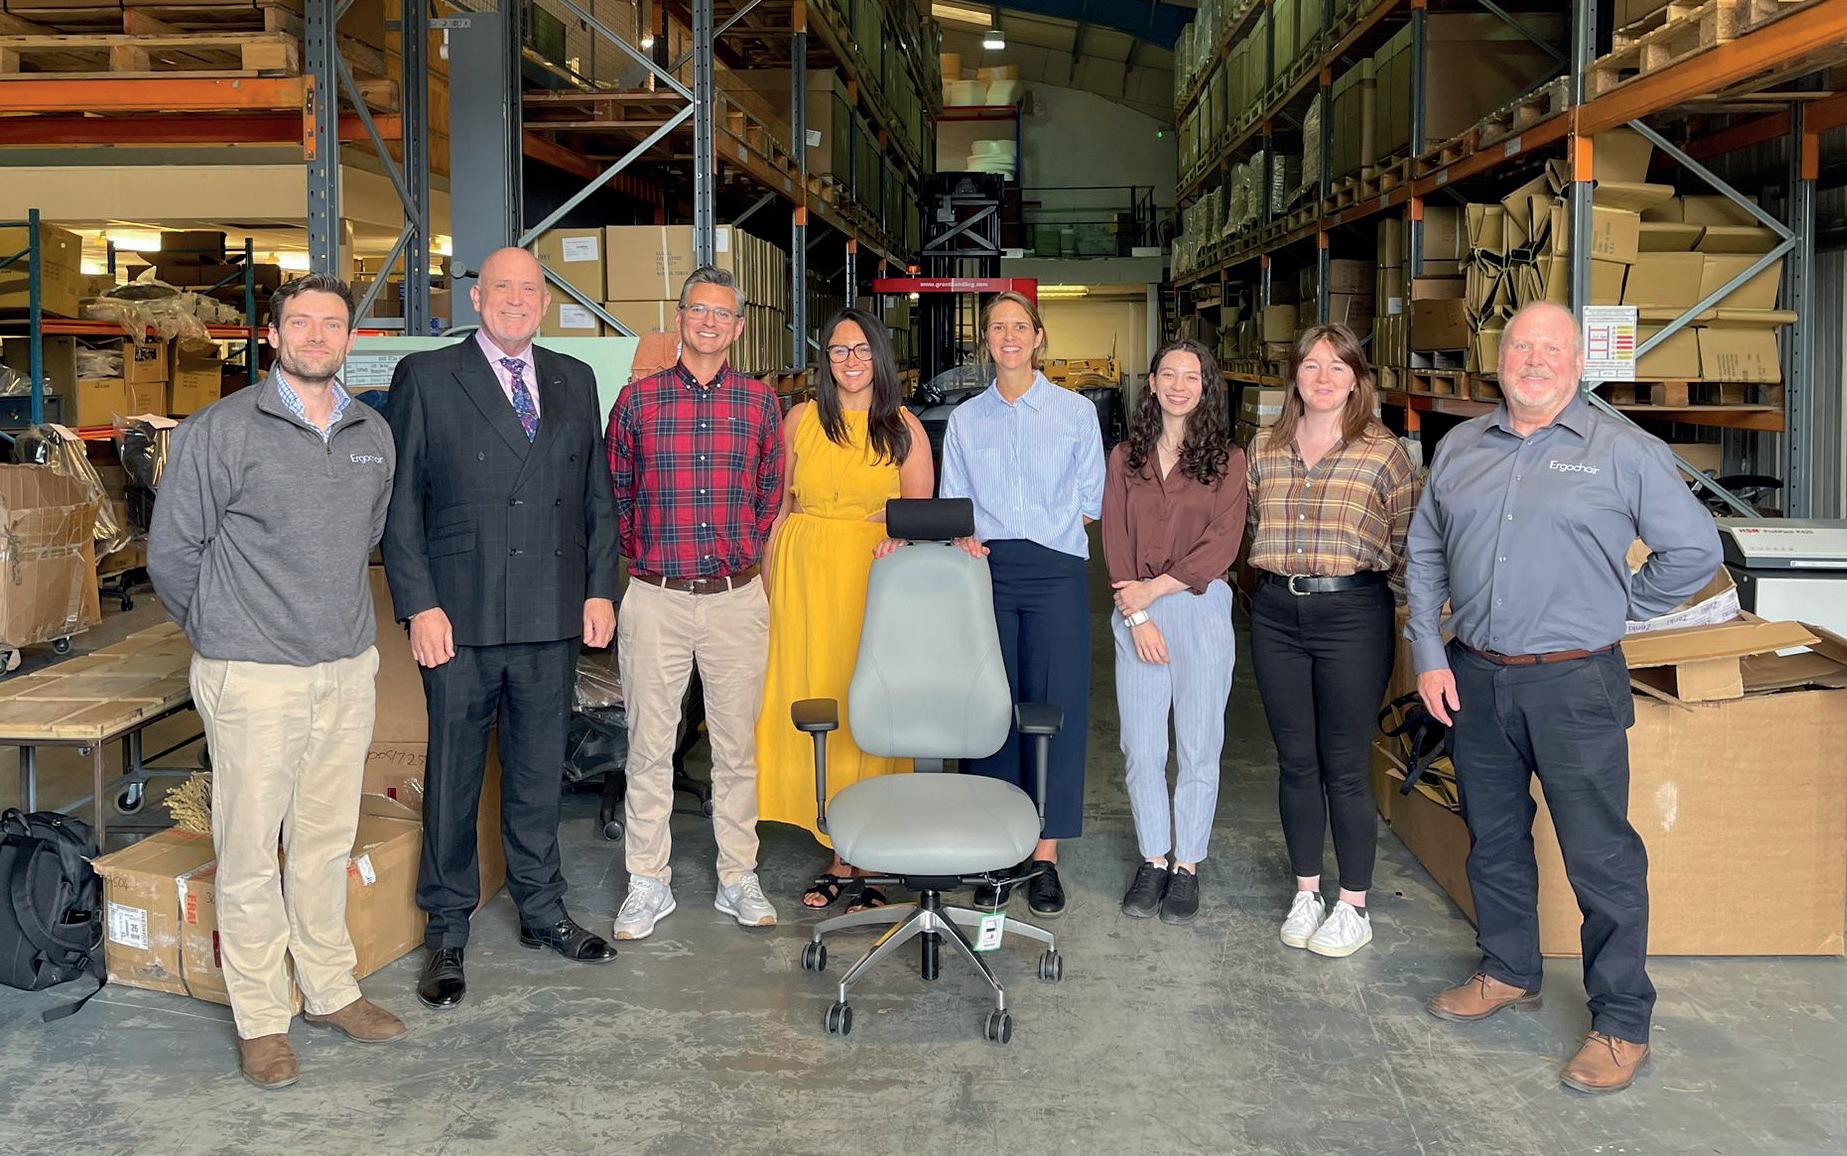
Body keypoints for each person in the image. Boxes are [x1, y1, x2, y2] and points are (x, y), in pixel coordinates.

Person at [1407, 301, 1721, 1095]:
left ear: (1578, 364)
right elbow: (1424, 551)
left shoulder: (1622, 451)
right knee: (1493, 836)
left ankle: (1620, 1021)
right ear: (1499, 359)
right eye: (1520, 346)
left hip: (1574, 683)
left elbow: (1693, 550)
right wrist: (1428, 655)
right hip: (1473, 675)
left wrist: (1621, 605)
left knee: (1598, 854)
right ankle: (1508, 969)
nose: (1534, 360)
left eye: (1551, 349)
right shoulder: (1460, 448)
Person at [148, 273, 403, 1089]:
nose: (317, 336)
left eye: (332, 324)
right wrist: (226, 633)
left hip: (346, 668)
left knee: (325, 841)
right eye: (301, 323)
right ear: (273, 335)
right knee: (251, 850)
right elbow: (172, 554)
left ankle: (328, 988)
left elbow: (363, 537)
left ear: (350, 339)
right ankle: (262, 1018)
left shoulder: (372, 433)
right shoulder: (220, 432)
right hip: (253, 674)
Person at [382, 246, 620, 1012]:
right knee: (454, 775)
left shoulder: (573, 377)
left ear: (544, 304)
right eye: (501, 288)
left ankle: (542, 910)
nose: (516, 300)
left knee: (537, 772)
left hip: (551, 608)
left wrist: (600, 590)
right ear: (477, 298)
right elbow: (400, 504)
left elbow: (596, 495)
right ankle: (446, 928)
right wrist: (419, 604)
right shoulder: (427, 376)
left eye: (529, 289)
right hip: (460, 612)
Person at [606, 265, 784, 940]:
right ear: (679, 319)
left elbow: (768, 495)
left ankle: (738, 876)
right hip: (656, 598)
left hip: (736, 599)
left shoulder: (759, 403)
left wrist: (737, 553)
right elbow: (618, 493)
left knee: (736, 749)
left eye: (722, 313)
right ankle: (647, 881)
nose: (710, 322)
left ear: (738, 328)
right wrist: (655, 558)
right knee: (648, 747)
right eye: (698, 310)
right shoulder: (638, 402)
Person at [1247, 323, 1417, 959]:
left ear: (1356, 379)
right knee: (1295, 761)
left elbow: (1406, 541)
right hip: (1276, 613)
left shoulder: (1384, 452)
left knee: (1344, 765)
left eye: (1337, 367)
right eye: (1311, 365)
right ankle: (1307, 893)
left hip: (1353, 615)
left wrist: (1372, 600)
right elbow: (1254, 521)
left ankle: (1354, 905)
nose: (1323, 378)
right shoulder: (1264, 446)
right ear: (1295, 375)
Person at [756, 309, 933, 911]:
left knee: (866, 707)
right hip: (803, 580)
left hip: (872, 583)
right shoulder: (801, 420)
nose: (850, 361)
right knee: (815, 701)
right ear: (825, 359)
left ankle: (867, 857)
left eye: (861, 350)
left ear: (878, 356)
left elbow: (918, 521)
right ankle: (834, 846)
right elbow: (781, 508)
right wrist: (767, 584)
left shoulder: (903, 428)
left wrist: (892, 529)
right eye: (838, 350)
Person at [940, 291, 1106, 917]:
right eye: (996, 327)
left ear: (1038, 336)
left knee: (1053, 708)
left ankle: (1043, 856)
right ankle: (994, 849)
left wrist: (1048, 533)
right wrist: (968, 537)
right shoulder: (966, 420)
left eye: (1019, 326)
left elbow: (1091, 498)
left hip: (1056, 571)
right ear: (985, 340)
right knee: (989, 710)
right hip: (987, 571)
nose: (1008, 336)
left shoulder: (1075, 412)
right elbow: (955, 501)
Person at [1103, 339, 1247, 926]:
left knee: (1198, 744)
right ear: (1154, 383)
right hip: (1134, 610)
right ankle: (1153, 858)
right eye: (1169, 374)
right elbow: (1114, 537)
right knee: (1141, 747)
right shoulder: (1126, 457)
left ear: (1206, 387)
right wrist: (1136, 615)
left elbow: (1222, 544)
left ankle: (1187, 864)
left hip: (1199, 608)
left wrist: (1153, 592)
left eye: (1192, 376)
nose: (1180, 385)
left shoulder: (1228, 460)